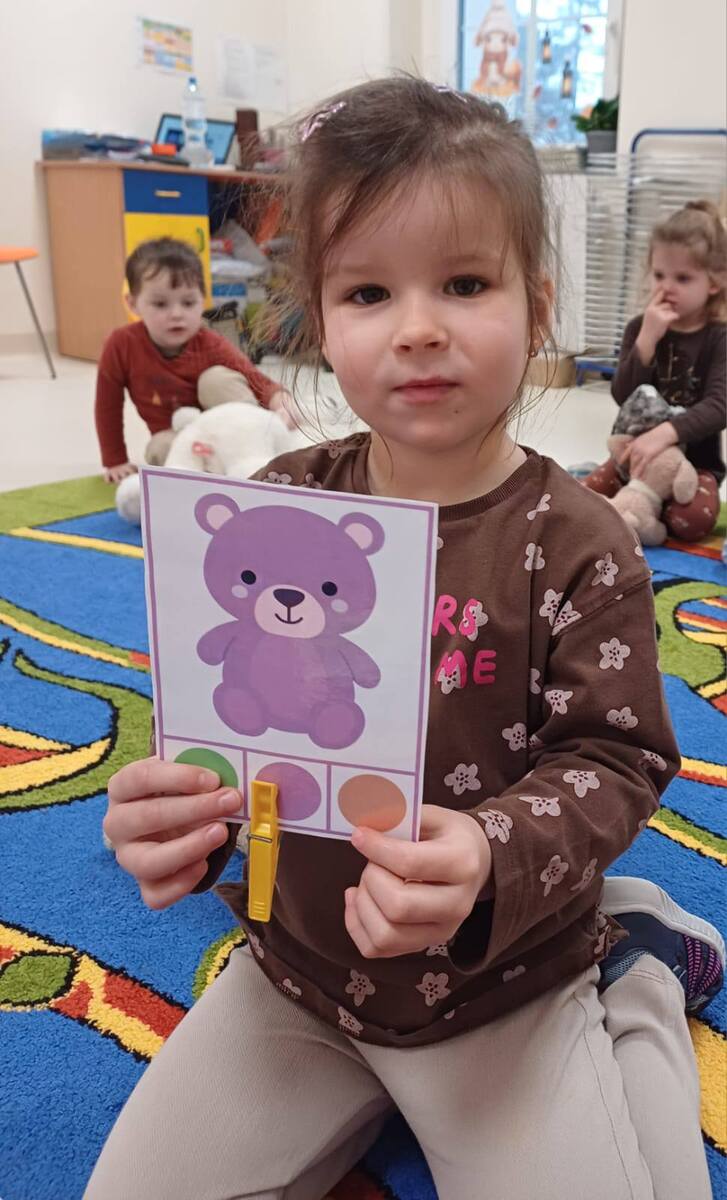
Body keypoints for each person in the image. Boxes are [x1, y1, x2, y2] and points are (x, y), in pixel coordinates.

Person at [85, 80, 724, 1200]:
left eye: (464, 284)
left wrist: (487, 853)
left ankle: (636, 973)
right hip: (296, 975)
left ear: (535, 308)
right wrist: (174, 815)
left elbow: (619, 756)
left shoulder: (578, 543)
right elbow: (224, 719)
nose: (418, 326)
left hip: (505, 979)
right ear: (322, 322)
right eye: (369, 291)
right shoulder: (274, 507)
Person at [95, 237, 293, 484]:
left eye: (188, 303)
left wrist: (281, 402)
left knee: (215, 380)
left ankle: (256, 446)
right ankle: (210, 477)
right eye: (160, 304)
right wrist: (115, 460)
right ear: (132, 304)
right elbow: (108, 405)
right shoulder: (121, 344)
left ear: (203, 300)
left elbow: (257, 380)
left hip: (230, 431)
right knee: (158, 448)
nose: (177, 314)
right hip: (181, 439)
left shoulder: (209, 343)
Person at [584, 201, 726, 541]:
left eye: (683, 278)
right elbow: (623, 395)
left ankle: (647, 509)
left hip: (693, 467)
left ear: (715, 282)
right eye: (659, 275)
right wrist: (647, 339)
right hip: (633, 460)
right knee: (585, 500)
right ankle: (639, 504)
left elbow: (720, 406)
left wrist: (664, 434)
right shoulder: (640, 327)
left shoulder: (719, 337)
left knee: (692, 522)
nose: (666, 287)